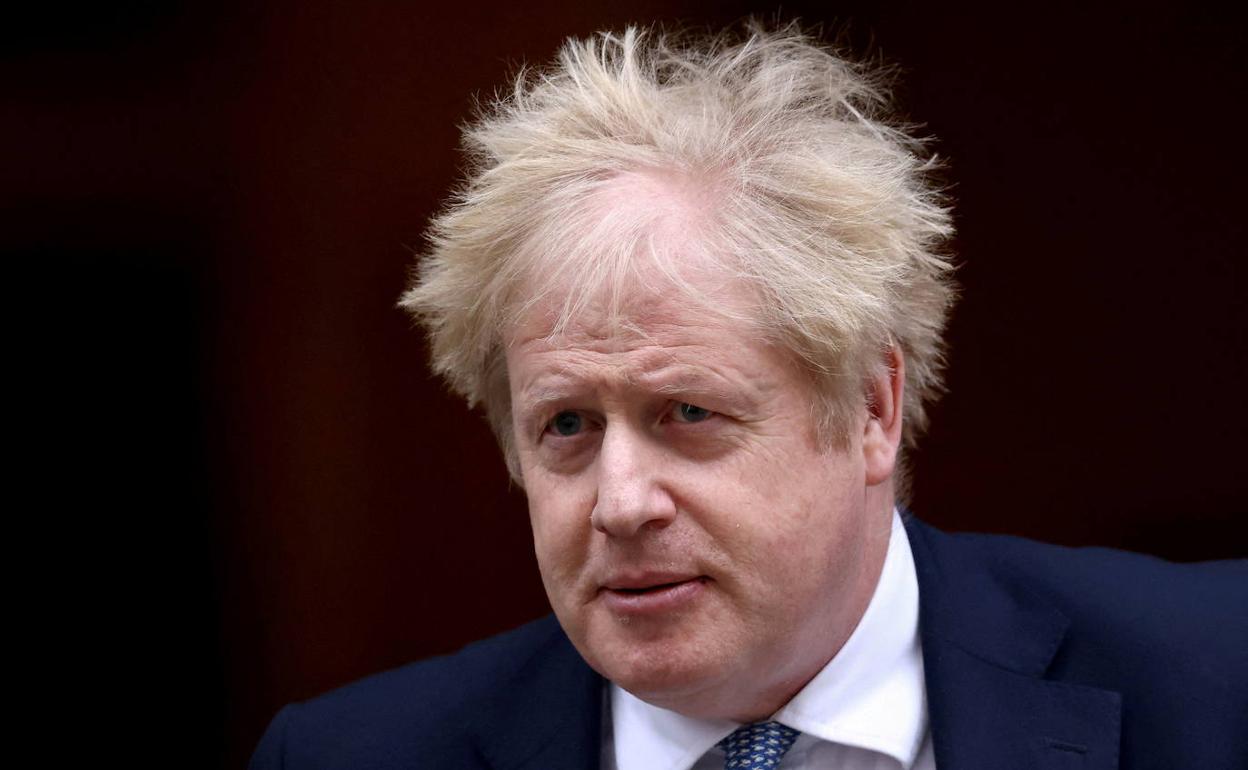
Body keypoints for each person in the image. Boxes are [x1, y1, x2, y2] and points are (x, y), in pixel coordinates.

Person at [251, 23, 1247, 770]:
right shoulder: (352, 754)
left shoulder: (1216, 679)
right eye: (568, 424)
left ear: (870, 407)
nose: (621, 500)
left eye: (687, 412)